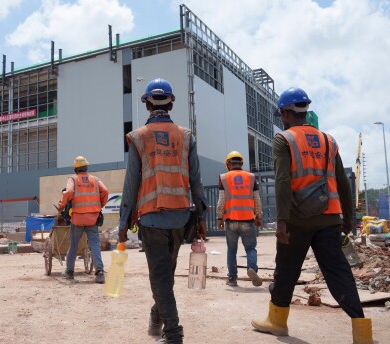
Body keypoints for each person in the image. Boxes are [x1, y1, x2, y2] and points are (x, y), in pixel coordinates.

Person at [251, 87, 373, 343]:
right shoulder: (329, 141)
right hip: (329, 218)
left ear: (285, 113)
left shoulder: (283, 139)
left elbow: (282, 181)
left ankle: (277, 321)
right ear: (305, 111)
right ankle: (362, 332)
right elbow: (342, 182)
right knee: (339, 273)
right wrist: (348, 219)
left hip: (297, 220)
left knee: (286, 271)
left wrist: (282, 221)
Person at [118, 78, 207, 344]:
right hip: (181, 217)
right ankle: (157, 318)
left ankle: (173, 334)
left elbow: (131, 182)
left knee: (160, 277)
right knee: (165, 275)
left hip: (152, 218)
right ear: (171, 103)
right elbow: (196, 180)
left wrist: (123, 222)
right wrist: (201, 217)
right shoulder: (185, 135)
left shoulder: (138, 137)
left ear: (146, 104)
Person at [58, 156, 109, 284]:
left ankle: (69, 272)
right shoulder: (95, 180)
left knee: (74, 245)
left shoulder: (73, 179)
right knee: (94, 245)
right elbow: (105, 191)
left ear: (75, 169)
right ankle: (100, 273)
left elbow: (68, 191)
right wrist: (99, 206)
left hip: (78, 218)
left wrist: (61, 205)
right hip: (93, 217)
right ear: (86, 167)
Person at [216, 150, 263, 287]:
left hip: (231, 220)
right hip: (248, 220)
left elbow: (221, 201)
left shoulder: (224, 178)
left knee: (232, 250)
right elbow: (257, 199)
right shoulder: (251, 177)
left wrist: (219, 218)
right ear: (241, 163)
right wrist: (258, 216)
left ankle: (232, 278)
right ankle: (252, 269)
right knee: (250, 248)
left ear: (228, 164)